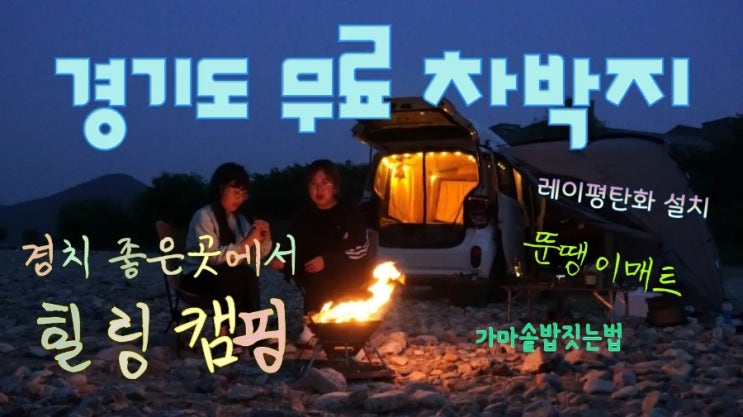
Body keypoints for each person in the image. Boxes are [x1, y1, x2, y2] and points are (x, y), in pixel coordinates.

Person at [181, 162, 275, 336]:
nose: (239, 199)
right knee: (231, 274)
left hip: (226, 275)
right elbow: (212, 258)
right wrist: (247, 241)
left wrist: (265, 238)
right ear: (220, 188)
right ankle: (225, 333)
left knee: (246, 272)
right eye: (235, 192)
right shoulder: (204, 216)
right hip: (196, 275)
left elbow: (252, 256)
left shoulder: (239, 220)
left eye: (243, 194)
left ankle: (254, 329)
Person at [285, 159, 374, 318]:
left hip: (349, 277)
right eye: (314, 184)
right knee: (316, 283)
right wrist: (282, 262)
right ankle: (313, 325)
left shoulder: (350, 213)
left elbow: (361, 249)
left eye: (325, 183)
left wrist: (328, 260)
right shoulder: (304, 216)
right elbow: (290, 248)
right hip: (314, 282)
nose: (319, 189)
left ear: (335, 187)